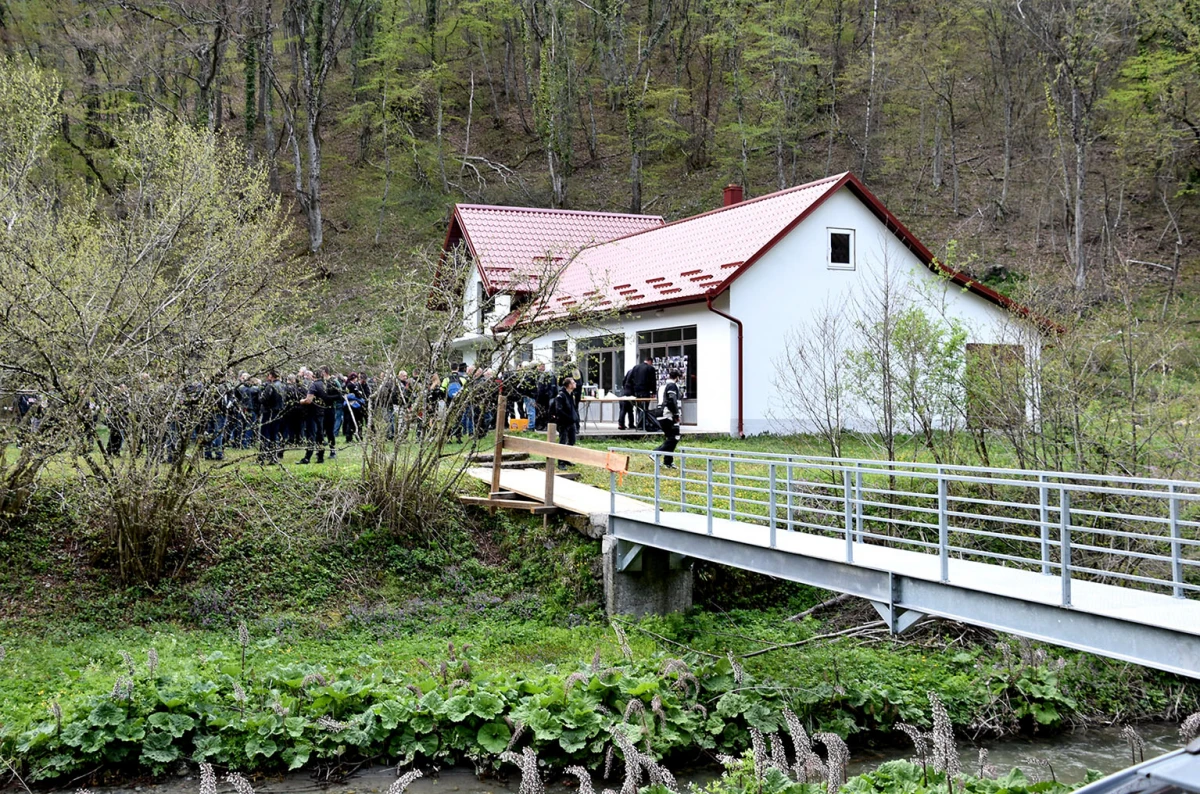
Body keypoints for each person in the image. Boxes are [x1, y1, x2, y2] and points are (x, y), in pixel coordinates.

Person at [298, 367, 333, 464]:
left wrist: (301, 401)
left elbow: (309, 400)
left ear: (313, 376)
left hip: (312, 413)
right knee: (320, 435)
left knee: (311, 435)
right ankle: (321, 457)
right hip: (321, 412)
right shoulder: (325, 385)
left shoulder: (313, 385)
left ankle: (307, 457)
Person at [654, 369, 682, 469]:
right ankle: (656, 453)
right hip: (668, 414)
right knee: (674, 437)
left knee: (671, 438)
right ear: (677, 377)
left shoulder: (662, 386)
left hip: (660, 413)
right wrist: (676, 414)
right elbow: (671, 400)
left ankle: (668, 461)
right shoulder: (672, 386)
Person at [257, 370, 285, 463]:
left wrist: (260, 394)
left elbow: (263, 399)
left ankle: (262, 456)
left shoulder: (271, 386)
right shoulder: (283, 386)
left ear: (271, 376)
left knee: (264, 435)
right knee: (274, 434)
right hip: (278, 412)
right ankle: (273, 457)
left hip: (268, 412)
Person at [552, 376, 581, 451]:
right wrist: (568, 417)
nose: (575, 384)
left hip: (571, 422)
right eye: (573, 382)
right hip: (563, 422)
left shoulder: (571, 395)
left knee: (572, 440)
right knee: (563, 441)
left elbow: (573, 408)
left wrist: (575, 418)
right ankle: (561, 461)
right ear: (569, 385)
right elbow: (559, 410)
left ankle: (567, 458)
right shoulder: (561, 395)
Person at [630, 355, 659, 430]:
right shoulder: (650, 368)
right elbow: (653, 381)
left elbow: (631, 379)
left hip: (637, 391)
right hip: (645, 391)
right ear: (650, 361)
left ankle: (639, 423)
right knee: (645, 408)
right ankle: (643, 424)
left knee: (639, 408)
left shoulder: (635, 368)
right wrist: (653, 392)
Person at [618, 364, 637, 431]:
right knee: (629, 410)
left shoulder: (629, 372)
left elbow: (623, 381)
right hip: (630, 393)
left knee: (624, 409)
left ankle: (621, 424)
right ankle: (630, 424)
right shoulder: (635, 373)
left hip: (624, 392)